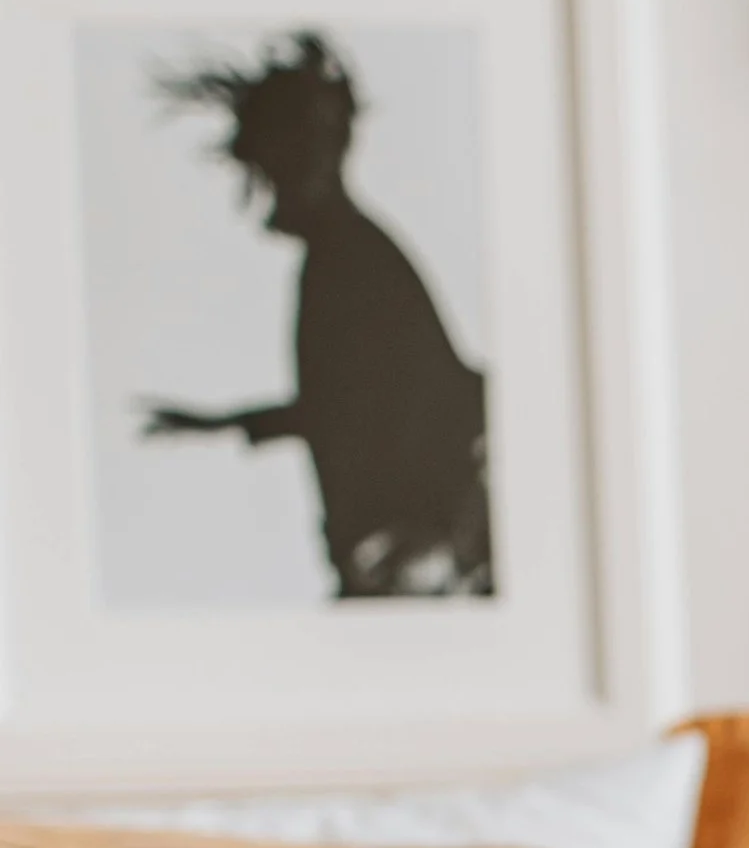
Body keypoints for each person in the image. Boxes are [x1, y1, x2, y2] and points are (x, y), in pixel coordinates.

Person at [140, 32, 494, 598]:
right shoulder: (347, 260)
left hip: (416, 558)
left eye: (275, 172)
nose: (269, 194)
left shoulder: (352, 264)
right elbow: (346, 405)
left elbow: (428, 396)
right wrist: (225, 424)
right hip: (402, 556)